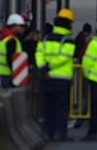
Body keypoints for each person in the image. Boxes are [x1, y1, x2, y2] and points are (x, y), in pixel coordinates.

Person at [36, 8, 77, 142]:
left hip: (46, 78)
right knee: (61, 108)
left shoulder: (46, 38)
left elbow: (39, 53)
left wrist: (43, 68)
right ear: (68, 24)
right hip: (62, 79)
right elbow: (65, 57)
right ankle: (61, 134)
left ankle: (48, 133)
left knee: (48, 108)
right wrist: (50, 67)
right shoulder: (68, 41)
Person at [0, 13, 27, 89]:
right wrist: (16, 71)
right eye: (21, 26)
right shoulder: (11, 40)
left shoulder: (4, 38)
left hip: (3, 73)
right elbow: (10, 58)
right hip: (10, 74)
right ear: (14, 26)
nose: (22, 28)